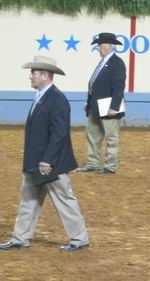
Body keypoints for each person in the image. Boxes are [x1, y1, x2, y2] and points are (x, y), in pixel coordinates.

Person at [0, 56, 90, 252]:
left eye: (33, 73)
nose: (30, 77)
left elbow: (59, 134)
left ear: (45, 76)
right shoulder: (42, 96)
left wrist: (47, 159)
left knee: (64, 199)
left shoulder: (57, 100)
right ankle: (20, 238)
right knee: (29, 199)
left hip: (50, 163)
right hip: (36, 162)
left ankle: (79, 239)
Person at [77, 32, 126, 174]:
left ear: (105, 46)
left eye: (99, 46)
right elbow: (94, 85)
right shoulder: (104, 62)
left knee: (111, 137)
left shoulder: (117, 63)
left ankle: (110, 166)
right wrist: (89, 102)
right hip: (96, 106)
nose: (98, 49)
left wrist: (114, 107)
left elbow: (119, 86)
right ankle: (93, 164)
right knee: (92, 135)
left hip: (109, 106)